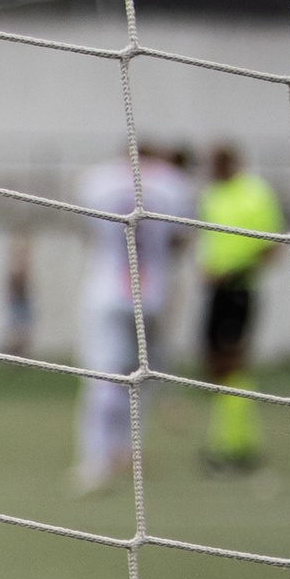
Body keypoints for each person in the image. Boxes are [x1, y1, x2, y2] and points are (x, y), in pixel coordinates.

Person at [70, 142, 189, 497]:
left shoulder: (96, 180)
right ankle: (122, 452)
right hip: (152, 293)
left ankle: (96, 458)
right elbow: (179, 241)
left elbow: (89, 232)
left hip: (105, 291)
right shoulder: (174, 183)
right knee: (140, 379)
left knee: (103, 378)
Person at [195, 142, 282, 472]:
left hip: (239, 290)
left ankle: (238, 446)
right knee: (216, 367)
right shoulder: (212, 195)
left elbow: (271, 248)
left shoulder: (255, 193)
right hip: (215, 292)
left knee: (233, 364)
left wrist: (232, 272)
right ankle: (228, 440)